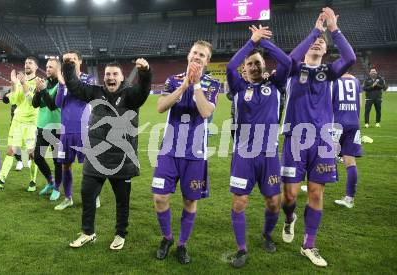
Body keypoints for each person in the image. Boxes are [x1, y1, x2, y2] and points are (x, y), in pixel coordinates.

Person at [280, 8, 356, 267]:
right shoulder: (293, 69)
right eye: (315, 41)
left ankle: (309, 245)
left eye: (321, 43)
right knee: (289, 195)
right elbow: (290, 57)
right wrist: (316, 30)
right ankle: (289, 218)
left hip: (323, 141)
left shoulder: (330, 72)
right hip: (294, 139)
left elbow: (350, 56)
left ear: (325, 52)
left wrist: (333, 29)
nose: (318, 42)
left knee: (315, 193)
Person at [64, 59, 152, 250]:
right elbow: (74, 87)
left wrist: (145, 72)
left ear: (122, 78)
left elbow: (144, 90)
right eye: (108, 74)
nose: (111, 77)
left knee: (122, 202)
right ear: (103, 78)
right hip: (96, 158)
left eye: (115, 74)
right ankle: (88, 233)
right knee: (87, 196)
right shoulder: (95, 92)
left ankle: (120, 234)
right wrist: (69, 67)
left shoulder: (131, 95)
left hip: (121, 160)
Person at [226, 25, 291, 268]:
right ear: (245, 69)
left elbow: (287, 62)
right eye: (250, 63)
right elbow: (230, 66)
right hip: (244, 156)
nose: (253, 66)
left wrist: (264, 45)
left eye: (257, 63)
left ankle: (266, 235)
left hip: (269, 155)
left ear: (264, 65)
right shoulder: (238, 87)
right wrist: (251, 43)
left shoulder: (275, 84)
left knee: (273, 203)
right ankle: (241, 249)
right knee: (239, 203)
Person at [152, 40, 220, 264]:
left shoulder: (212, 84)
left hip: (195, 154)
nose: (197, 57)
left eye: (202, 55)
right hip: (170, 150)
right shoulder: (173, 80)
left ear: (207, 60)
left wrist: (197, 85)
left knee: (190, 201)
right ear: (188, 55)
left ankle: (181, 244)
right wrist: (183, 87)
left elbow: (205, 111)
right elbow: (161, 107)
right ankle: (167, 237)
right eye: (194, 53)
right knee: (160, 197)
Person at [0, 57, 40, 191]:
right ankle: (1, 180)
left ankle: (33, 181)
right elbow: (15, 100)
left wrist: (23, 84)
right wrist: (13, 83)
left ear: (36, 67)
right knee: (11, 150)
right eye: (26, 63)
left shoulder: (38, 83)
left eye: (30, 63)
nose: (27, 65)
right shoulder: (21, 81)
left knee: (32, 154)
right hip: (17, 121)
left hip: (31, 123)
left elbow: (32, 103)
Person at [54, 50, 97, 206]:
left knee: (90, 166)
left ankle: (94, 197)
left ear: (79, 61)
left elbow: (85, 95)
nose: (70, 62)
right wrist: (60, 84)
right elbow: (58, 103)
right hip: (66, 131)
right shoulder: (62, 81)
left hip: (84, 131)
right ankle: (68, 198)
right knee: (65, 165)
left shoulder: (88, 79)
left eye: (72, 59)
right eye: (66, 60)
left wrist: (68, 82)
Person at [31, 58, 63, 203]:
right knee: (37, 157)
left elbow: (52, 105)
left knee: (57, 161)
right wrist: (38, 90)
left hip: (56, 128)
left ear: (58, 69)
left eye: (51, 67)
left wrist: (43, 89)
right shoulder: (45, 83)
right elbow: (35, 104)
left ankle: (57, 188)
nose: (47, 69)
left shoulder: (62, 85)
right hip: (42, 126)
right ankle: (50, 182)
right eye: (47, 66)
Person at [333, 73, 362, 208]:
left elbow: (327, 102)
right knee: (350, 161)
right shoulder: (356, 81)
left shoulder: (334, 80)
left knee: (323, 156)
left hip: (336, 123)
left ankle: (313, 188)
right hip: (354, 123)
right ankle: (349, 199)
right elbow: (360, 103)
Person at [2, 91, 25, 171]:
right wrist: (6, 95)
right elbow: (5, 100)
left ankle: (28, 159)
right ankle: (20, 160)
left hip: (28, 120)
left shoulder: (28, 86)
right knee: (15, 142)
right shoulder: (14, 88)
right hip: (15, 120)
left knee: (27, 142)